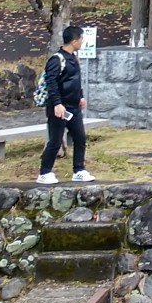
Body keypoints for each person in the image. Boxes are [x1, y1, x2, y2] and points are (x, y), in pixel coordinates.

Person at [38, 24, 94, 184]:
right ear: (74, 41)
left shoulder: (73, 58)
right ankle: (44, 172)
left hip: (73, 106)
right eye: (81, 39)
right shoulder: (57, 59)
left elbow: (75, 81)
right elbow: (51, 82)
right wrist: (57, 103)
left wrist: (80, 96)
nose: (82, 42)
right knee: (55, 140)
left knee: (80, 138)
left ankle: (79, 169)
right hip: (59, 107)